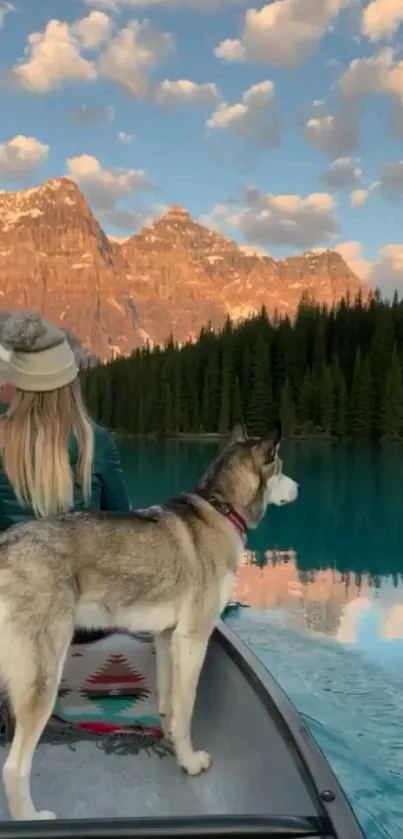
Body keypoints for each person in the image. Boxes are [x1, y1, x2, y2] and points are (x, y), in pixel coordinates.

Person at [0, 311, 131, 642]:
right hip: (83, 622)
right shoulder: (95, 440)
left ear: (18, 384)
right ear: (70, 384)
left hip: (13, 612)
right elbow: (124, 532)